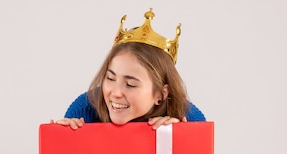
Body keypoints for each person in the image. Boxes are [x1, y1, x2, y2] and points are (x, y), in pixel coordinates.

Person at [52, 9, 205, 130]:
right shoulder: (85, 109)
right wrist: (65, 140)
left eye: (130, 84)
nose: (116, 93)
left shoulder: (188, 117)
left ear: (161, 93)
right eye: (110, 78)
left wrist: (181, 138)